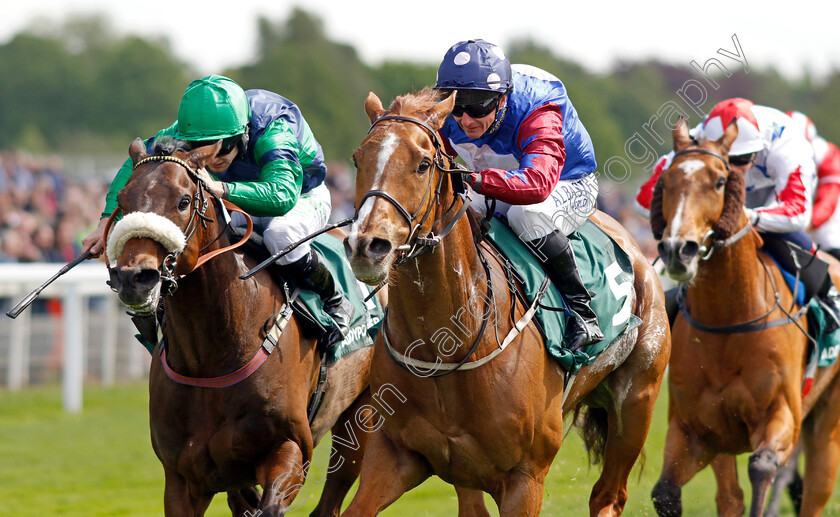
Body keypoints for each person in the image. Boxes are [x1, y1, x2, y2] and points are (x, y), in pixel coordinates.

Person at [81, 75, 353, 343]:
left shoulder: (273, 129)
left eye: (225, 146)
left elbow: (282, 196)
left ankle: (334, 299)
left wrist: (222, 189)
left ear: (243, 133)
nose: (213, 156)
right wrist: (106, 222)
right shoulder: (191, 129)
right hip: (236, 191)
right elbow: (136, 167)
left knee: (281, 235)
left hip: (300, 193)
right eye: (200, 147)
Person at [434, 39, 602, 351]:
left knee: (526, 215)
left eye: (478, 106)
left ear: (502, 98)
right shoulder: (448, 114)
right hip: (500, 178)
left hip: (567, 183)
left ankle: (582, 313)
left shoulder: (539, 111)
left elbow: (538, 183)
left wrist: (475, 179)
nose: (466, 119)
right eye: (457, 105)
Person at [636, 98, 840, 332]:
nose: (734, 169)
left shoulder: (789, 145)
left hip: (770, 197)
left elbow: (798, 214)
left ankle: (828, 296)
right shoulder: (697, 141)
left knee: (789, 238)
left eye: (741, 160)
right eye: (728, 160)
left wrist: (742, 218)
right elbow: (643, 199)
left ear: (758, 148)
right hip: (717, 196)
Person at [787, 110, 840, 261]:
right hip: (797, 216)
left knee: (829, 239)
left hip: (828, 222)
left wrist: (805, 225)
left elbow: (827, 202)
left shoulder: (826, 154)